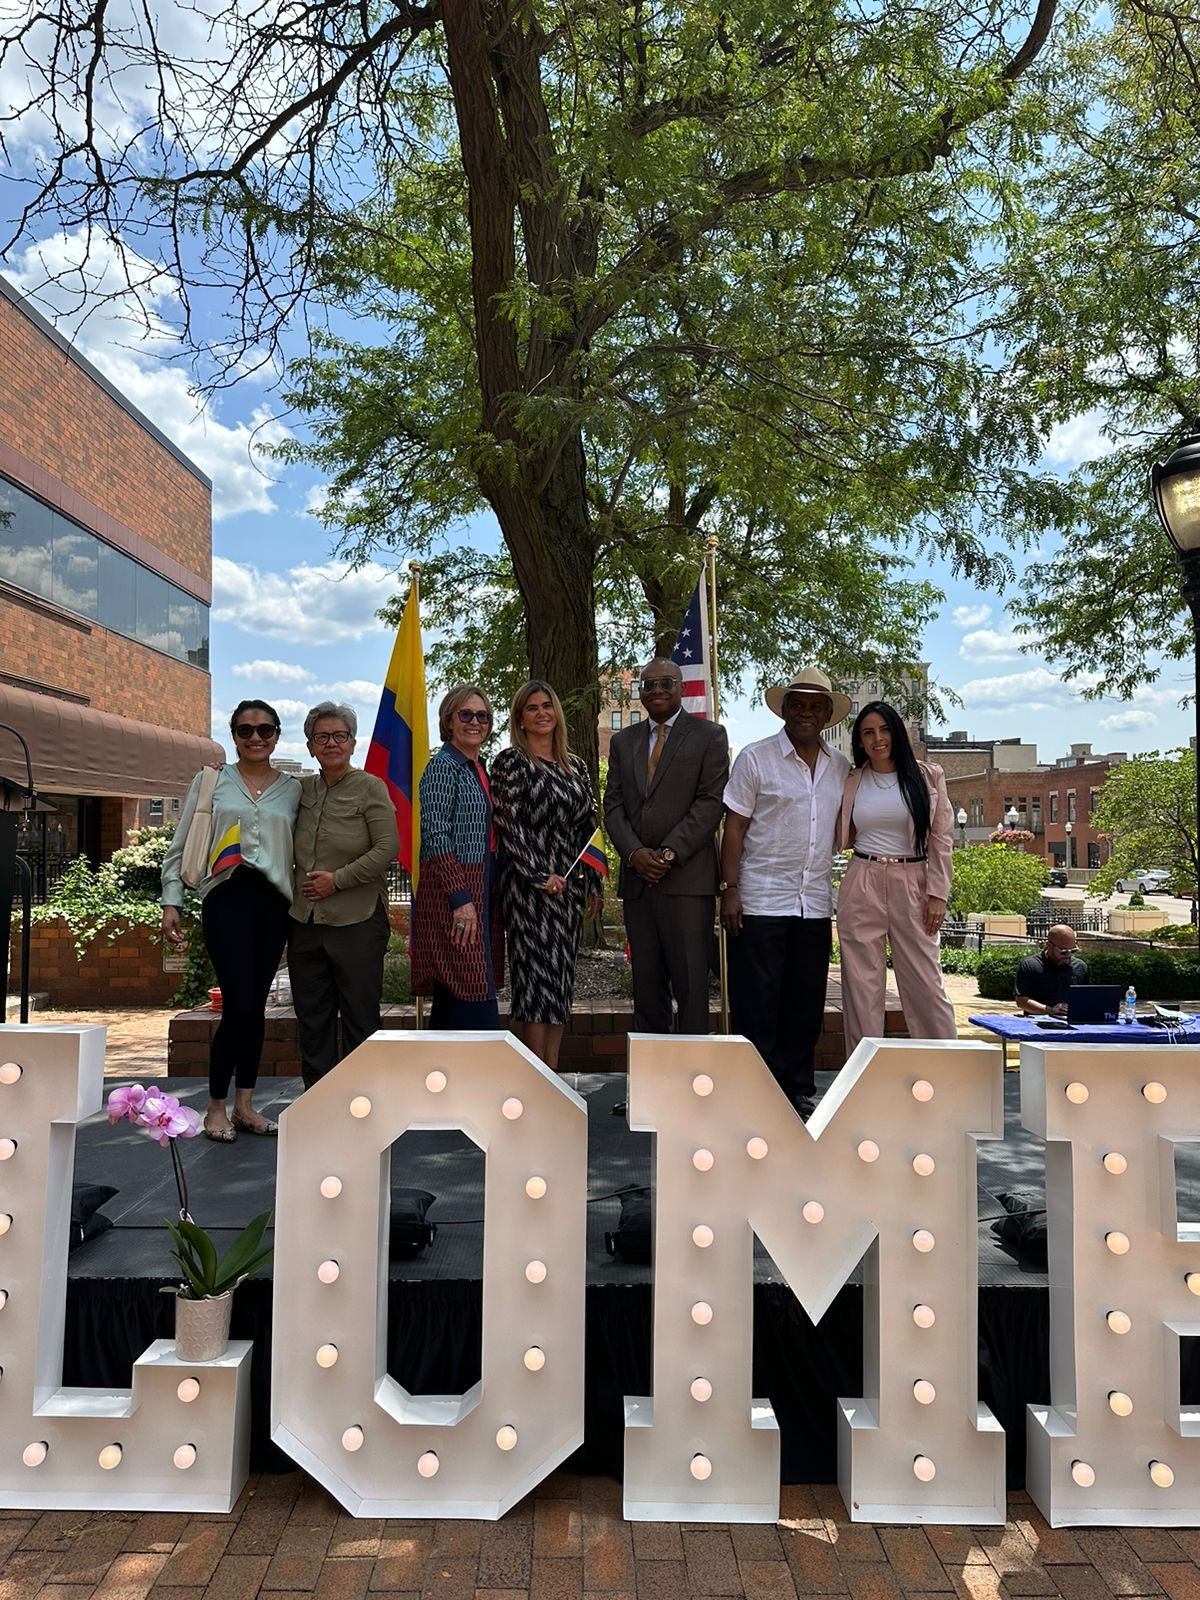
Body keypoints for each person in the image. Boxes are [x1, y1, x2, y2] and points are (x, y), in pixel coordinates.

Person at [161, 699, 300, 1140]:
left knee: (254, 1007)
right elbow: (182, 843)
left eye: (265, 730)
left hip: (274, 904)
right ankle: (215, 1107)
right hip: (226, 899)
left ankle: (245, 1104)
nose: (256, 738)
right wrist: (172, 900)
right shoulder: (210, 782)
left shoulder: (294, 789)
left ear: (277, 734)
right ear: (233, 734)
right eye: (245, 730)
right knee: (237, 1005)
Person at [720, 667, 852, 1116]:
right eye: (798, 704)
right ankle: (757, 1088)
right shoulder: (755, 759)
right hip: (759, 898)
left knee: (805, 999)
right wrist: (730, 889)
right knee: (757, 1001)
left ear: (828, 715)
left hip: (813, 902)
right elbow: (733, 828)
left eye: (816, 706)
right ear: (785, 708)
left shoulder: (841, 767)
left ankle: (796, 1087)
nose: (806, 713)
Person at [604, 657, 728, 1034]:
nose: (656, 690)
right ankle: (652, 1079)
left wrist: (669, 853)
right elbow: (613, 805)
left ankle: (693, 1081)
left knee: (692, 985)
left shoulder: (709, 736)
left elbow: (711, 802)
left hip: (688, 882)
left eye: (665, 683)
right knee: (646, 986)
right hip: (639, 884)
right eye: (648, 685)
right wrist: (635, 853)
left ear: (680, 688)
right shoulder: (624, 742)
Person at [836, 701, 958, 1062]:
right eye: (868, 732)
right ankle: (861, 1078)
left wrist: (938, 893)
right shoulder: (852, 779)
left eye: (884, 729)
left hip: (914, 882)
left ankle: (946, 1068)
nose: (878, 739)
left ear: (897, 732)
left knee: (925, 982)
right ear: (859, 740)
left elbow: (941, 838)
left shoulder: (927, 775)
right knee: (861, 987)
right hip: (862, 878)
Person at [490, 681, 603, 1068]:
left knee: (559, 983)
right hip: (528, 891)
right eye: (531, 708)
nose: (541, 714)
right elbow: (508, 824)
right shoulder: (511, 763)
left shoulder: (578, 766)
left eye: (547, 706)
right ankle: (534, 1072)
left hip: (568, 888)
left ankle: (551, 1069)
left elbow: (589, 827)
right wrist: (540, 875)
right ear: (520, 719)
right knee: (535, 984)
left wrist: (593, 883)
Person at [288, 702, 399, 1088]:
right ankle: (318, 1105)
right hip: (306, 923)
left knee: (360, 1020)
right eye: (322, 736)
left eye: (340, 736)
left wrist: (338, 880)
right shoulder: (298, 789)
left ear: (352, 743)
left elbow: (387, 848)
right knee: (312, 1021)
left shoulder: (370, 787)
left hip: (358, 922)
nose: (331, 743)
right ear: (310, 746)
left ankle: (363, 1103)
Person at [410, 684, 504, 1027]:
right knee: (473, 995)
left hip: (483, 886)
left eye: (483, 716)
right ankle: (476, 1076)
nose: (475, 722)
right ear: (449, 721)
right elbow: (436, 835)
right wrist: (460, 899)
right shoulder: (443, 767)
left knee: (455, 1002)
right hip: (456, 894)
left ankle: (442, 1075)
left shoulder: (478, 768)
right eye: (465, 714)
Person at [1015, 926, 1090, 1015]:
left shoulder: (1080, 967)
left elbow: (1086, 999)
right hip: (1037, 1024)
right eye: (1063, 951)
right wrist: (1050, 1010)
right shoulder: (1029, 965)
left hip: (1072, 1024)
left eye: (1073, 950)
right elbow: (1021, 1001)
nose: (1068, 955)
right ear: (1049, 945)